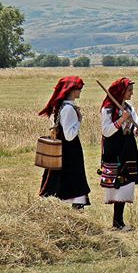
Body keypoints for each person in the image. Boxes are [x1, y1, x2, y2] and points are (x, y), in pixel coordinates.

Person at [38, 76, 91, 209]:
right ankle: (76, 207)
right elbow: (69, 135)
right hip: (69, 150)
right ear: (73, 90)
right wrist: (79, 120)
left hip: (65, 149)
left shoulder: (63, 106)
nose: (81, 91)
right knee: (73, 176)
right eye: (79, 88)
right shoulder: (68, 109)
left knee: (63, 177)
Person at [99, 77, 138, 231]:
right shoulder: (108, 109)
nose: (132, 93)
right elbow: (106, 131)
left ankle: (119, 222)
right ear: (121, 91)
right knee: (118, 184)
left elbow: (136, 123)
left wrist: (137, 130)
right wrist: (121, 119)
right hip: (114, 150)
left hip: (128, 149)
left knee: (127, 183)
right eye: (129, 90)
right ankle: (117, 223)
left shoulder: (128, 108)